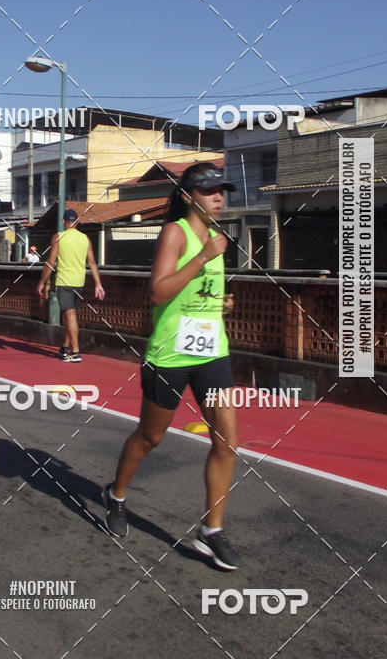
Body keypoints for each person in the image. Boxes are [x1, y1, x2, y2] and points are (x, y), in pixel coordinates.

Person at [102, 162, 240, 570]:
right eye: (211, 191)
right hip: (171, 355)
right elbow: (160, 292)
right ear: (188, 196)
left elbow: (200, 292)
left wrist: (221, 302)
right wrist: (202, 259)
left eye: (222, 191)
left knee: (227, 442)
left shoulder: (217, 237)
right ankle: (116, 494)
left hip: (212, 352)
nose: (219, 198)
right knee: (151, 436)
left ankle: (211, 532)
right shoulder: (175, 233)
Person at [36, 209, 105, 362]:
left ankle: (75, 352)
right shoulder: (85, 238)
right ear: (77, 221)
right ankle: (65, 346)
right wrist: (98, 284)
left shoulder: (59, 237)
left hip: (64, 281)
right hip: (79, 282)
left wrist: (41, 282)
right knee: (70, 315)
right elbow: (92, 262)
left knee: (70, 315)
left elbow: (50, 262)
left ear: (63, 221)